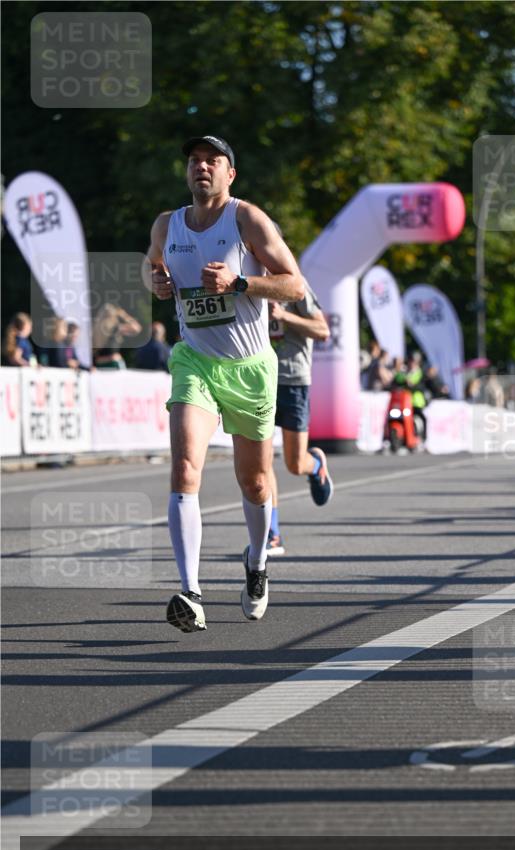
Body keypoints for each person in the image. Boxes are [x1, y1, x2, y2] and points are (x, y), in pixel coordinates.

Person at [145, 134, 304, 632]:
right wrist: (156, 280)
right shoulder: (168, 224)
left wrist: (239, 284)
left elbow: (295, 285)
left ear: (229, 173)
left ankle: (257, 565)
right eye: (194, 161)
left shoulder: (247, 220)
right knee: (185, 467)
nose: (201, 168)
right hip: (194, 361)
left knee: (255, 482)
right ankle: (190, 592)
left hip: (251, 366)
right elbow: (153, 264)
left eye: (212, 161)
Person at [265, 254, 332, 556]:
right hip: (257, 380)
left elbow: (323, 331)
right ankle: (272, 533)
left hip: (293, 379)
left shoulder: (296, 284)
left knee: (294, 464)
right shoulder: (245, 284)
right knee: (260, 462)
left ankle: (315, 464)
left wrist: (284, 316)